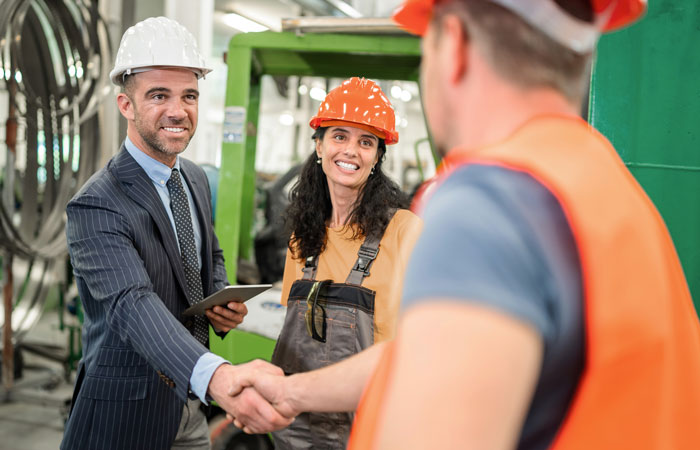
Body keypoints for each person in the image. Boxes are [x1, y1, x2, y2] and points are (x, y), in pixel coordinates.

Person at [228, 1, 700, 449]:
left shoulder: (489, 202)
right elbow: (419, 355)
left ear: (452, 43)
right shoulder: (602, 183)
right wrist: (292, 394)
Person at [60, 17, 290, 450]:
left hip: (188, 410)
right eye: (158, 96)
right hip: (125, 417)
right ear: (125, 105)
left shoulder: (195, 178)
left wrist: (220, 298)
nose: (178, 111)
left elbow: (211, 255)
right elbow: (133, 305)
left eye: (189, 96)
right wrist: (217, 375)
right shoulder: (98, 203)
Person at [268, 77, 422, 449]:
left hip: (375, 425)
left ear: (377, 157)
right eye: (339, 136)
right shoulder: (302, 239)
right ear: (319, 146)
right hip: (298, 431)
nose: (351, 150)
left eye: (366, 141)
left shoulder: (405, 232)